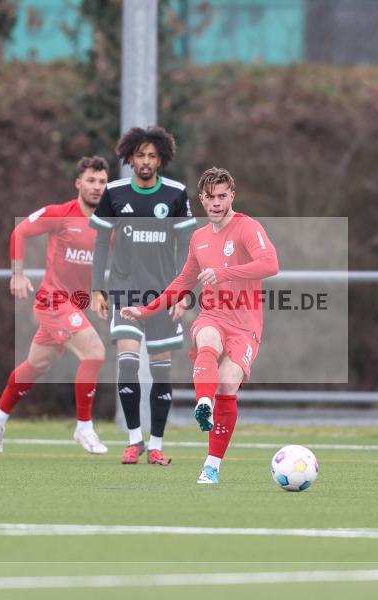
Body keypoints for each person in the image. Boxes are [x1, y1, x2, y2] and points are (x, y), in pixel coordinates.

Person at [121, 167, 279, 484]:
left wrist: (224, 273)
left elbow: (270, 264)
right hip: (213, 316)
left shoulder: (247, 227)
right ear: (202, 200)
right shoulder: (199, 238)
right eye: (210, 197)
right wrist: (147, 310)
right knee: (207, 339)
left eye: (222, 196)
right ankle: (202, 402)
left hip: (246, 326)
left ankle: (212, 465)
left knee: (228, 385)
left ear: (232, 196)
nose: (216, 203)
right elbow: (184, 281)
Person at [0, 156, 110, 455]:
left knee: (37, 365)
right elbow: (20, 232)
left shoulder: (107, 224)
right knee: (95, 353)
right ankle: (84, 427)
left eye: (102, 182)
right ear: (78, 183)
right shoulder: (61, 214)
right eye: (91, 180)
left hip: (74, 305)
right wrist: (17, 274)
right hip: (53, 301)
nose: (97, 187)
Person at [89, 127, 197, 466]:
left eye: (152, 156)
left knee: (161, 371)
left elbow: (186, 247)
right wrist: (97, 288)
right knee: (128, 362)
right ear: (130, 158)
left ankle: (157, 445)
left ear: (161, 159)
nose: (146, 162)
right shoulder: (115, 193)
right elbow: (102, 243)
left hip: (164, 295)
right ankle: (134, 439)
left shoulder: (176, 193)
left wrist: (182, 293)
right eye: (140, 155)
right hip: (125, 291)